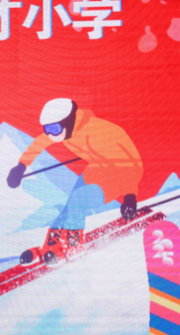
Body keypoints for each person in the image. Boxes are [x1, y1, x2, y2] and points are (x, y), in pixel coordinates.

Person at [7, 98, 143, 265]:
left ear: (68, 121)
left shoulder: (96, 131)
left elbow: (130, 163)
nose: (51, 135)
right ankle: (50, 246)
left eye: (54, 129)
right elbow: (39, 143)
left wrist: (130, 195)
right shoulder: (64, 131)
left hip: (121, 175)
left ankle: (74, 245)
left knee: (78, 200)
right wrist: (20, 167)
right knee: (70, 206)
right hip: (97, 170)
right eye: (47, 129)